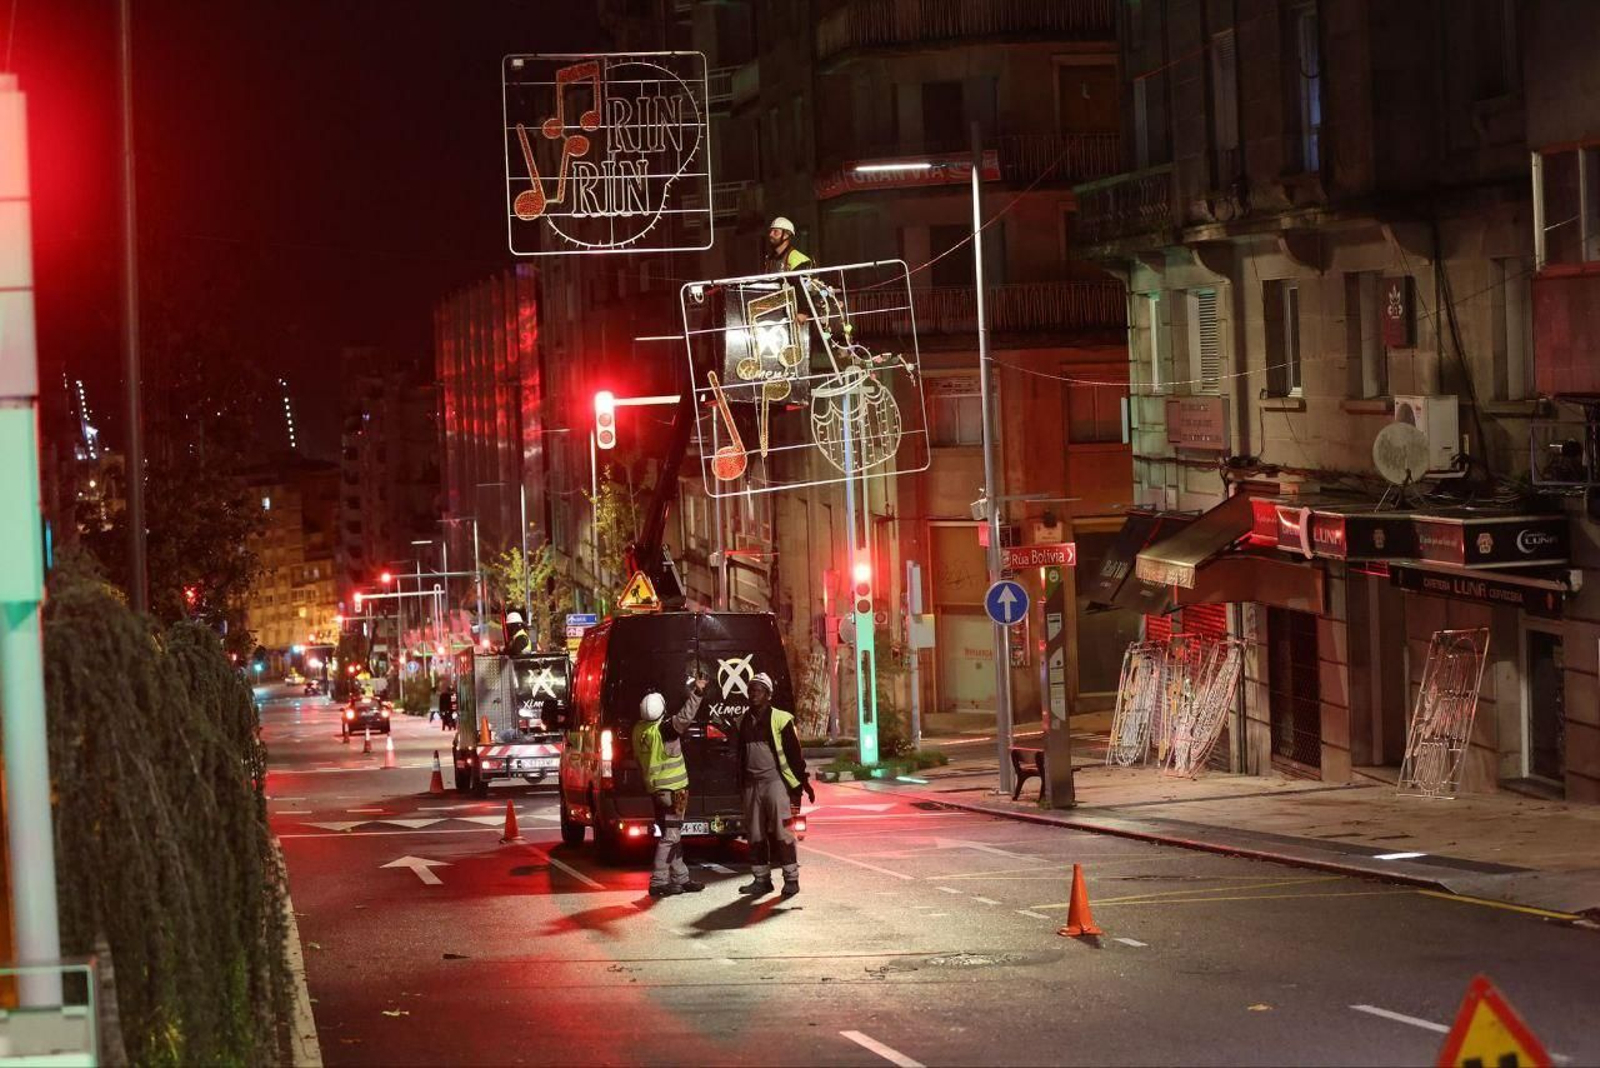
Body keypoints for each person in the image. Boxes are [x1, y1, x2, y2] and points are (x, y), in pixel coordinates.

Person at [736, 672, 814, 899]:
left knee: (783, 831)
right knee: (755, 833)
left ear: (768, 695)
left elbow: (794, 754)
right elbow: (739, 756)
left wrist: (803, 783)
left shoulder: (781, 719)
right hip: (752, 785)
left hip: (775, 782)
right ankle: (761, 880)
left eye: (758, 690)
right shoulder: (743, 721)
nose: (753, 695)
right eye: (751, 690)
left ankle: (791, 879)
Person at [632, 680, 709, 898]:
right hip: (675, 790)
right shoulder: (665, 729)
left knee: (671, 834)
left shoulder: (639, 730)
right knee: (671, 835)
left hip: (656, 791)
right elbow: (686, 716)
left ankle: (681, 878)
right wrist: (698, 692)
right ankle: (658, 881)